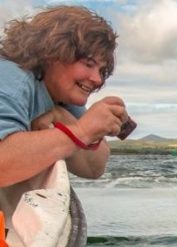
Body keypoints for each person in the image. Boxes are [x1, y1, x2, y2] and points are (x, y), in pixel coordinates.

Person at [0, 5, 130, 188]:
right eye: (88, 64)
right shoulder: (10, 78)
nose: (97, 79)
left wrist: (61, 117)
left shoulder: (61, 95)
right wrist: (81, 131)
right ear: (52, 52)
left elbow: (94, 168)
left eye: (101, 70)